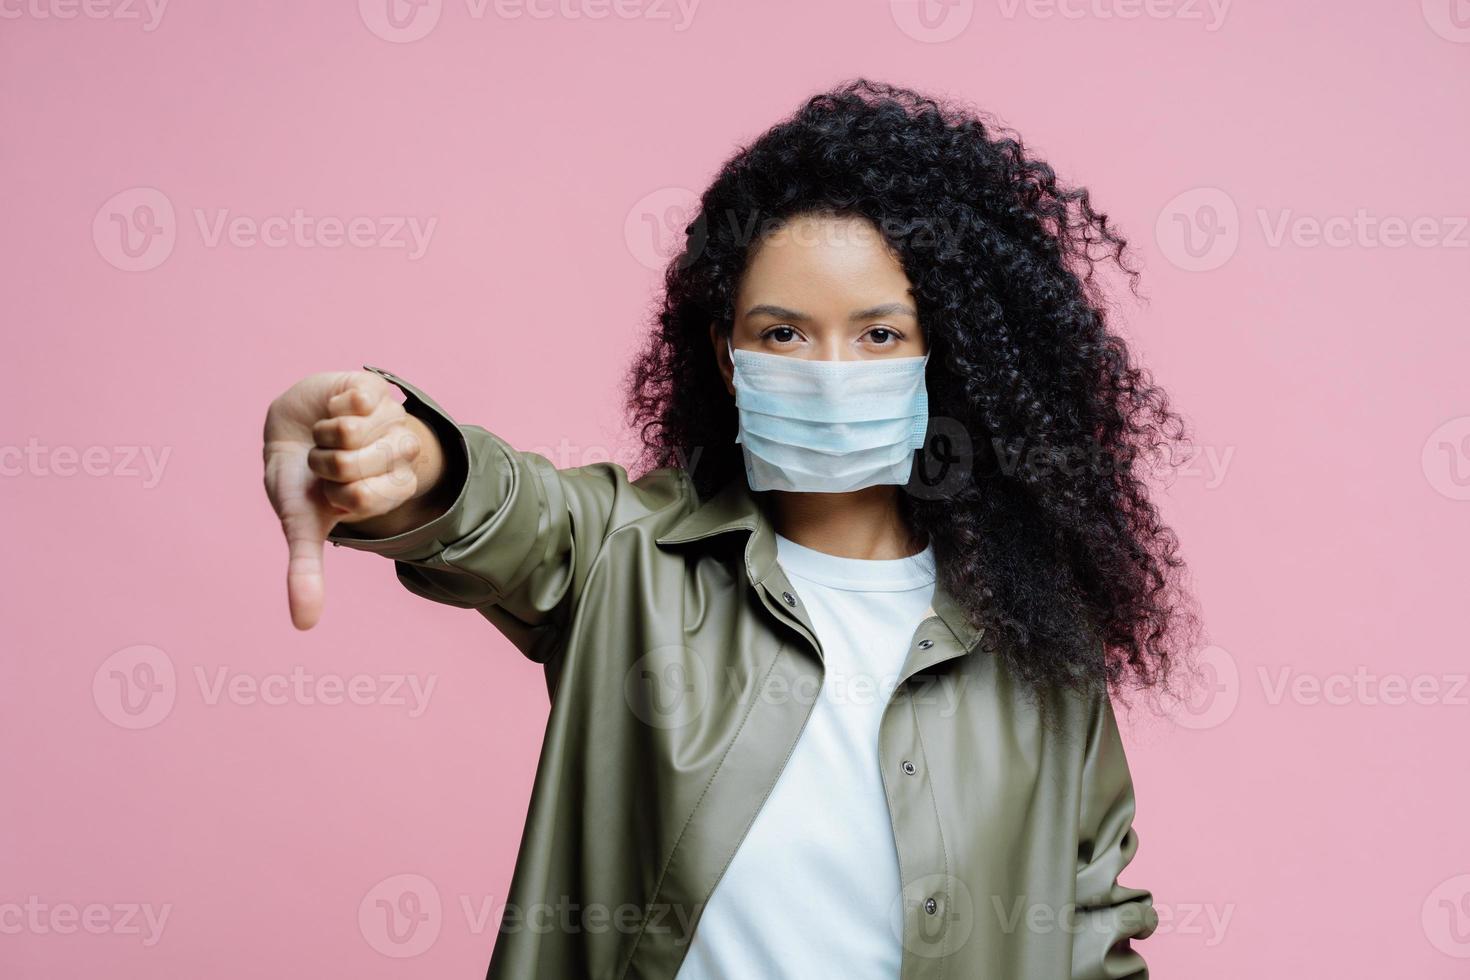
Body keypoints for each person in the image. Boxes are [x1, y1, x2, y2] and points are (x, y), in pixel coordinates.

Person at [262, 78, 1197, 980]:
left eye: (878, 334)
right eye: (784, 333)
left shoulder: (1041, 645)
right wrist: (400, 459)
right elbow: (504, 510)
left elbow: (1088, 922)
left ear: (937, 352)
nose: (831, 370)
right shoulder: (628, 557)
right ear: (727, 353)